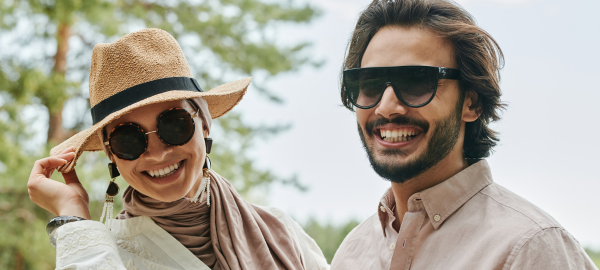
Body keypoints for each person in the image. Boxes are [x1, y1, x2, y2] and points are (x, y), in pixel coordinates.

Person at [27, 28, 328, 270]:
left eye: (174, 125)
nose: (157, 154)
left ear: (205, 123)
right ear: (111, 153)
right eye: (128, 139)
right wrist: (73, 215)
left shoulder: (281, 232)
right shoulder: (101, 251)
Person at [330, 0, 597, 269]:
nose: (386, 107)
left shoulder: (530, 249)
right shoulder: (351, 254)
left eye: (416, 81)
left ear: (471, 103)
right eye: (370, 84)